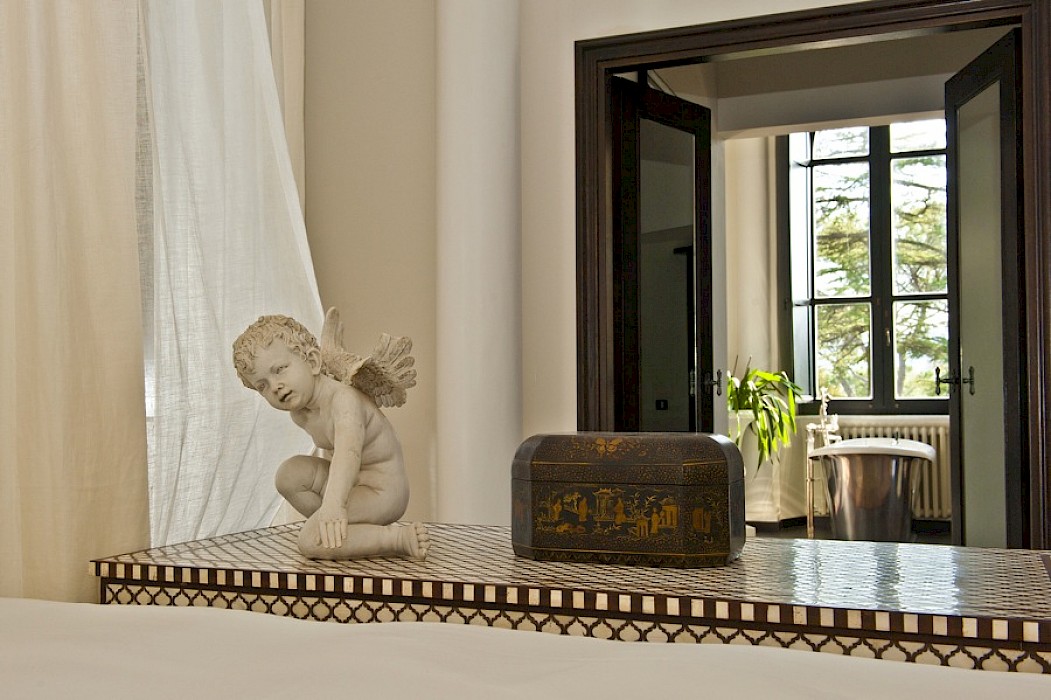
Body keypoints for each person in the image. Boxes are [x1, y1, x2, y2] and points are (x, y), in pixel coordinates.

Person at [233, 311, 429, 560]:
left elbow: (348, 454)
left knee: (309, 541)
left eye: (280, 369)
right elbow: (332, 455)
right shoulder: (301, 414)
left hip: (382, 491)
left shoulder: (343, 400)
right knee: (288, 475)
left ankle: (396, 538)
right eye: (262, 385)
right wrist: (331, 505)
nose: (275, 386)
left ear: (313, 361)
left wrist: (335, 504)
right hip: (352, 484)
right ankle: (338, 532)